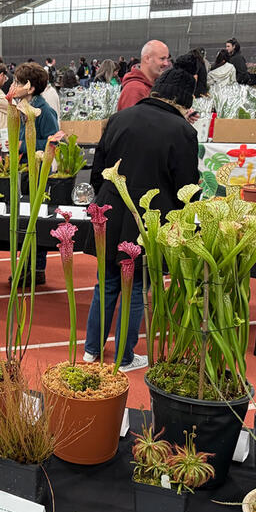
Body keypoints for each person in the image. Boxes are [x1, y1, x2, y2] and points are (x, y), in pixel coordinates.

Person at [85, 67, 200, 370]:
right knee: (136, 286)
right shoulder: (183, 131)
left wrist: (106, 200)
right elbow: (187, 187)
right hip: (148, 218)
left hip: (110, 210)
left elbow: (98, 171)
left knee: (106, 282)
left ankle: (91, 349)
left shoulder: (119, 118)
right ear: (184, 100)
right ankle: (123, 357)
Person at [10, 61, 60, 285]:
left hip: (38, 172)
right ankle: (27, 266)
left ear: (29, 87)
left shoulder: (44, 111)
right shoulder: (22, 107)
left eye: (17, 82)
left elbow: (53, 141)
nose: (13, 86)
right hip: (25, 170)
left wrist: (23, 144)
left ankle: (36, 268)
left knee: (35, 220)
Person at [117, 40, 171, 111]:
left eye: (167, 59)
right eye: (162, 58)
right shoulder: (134, 89)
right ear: (147, 59)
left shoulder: (153, 85)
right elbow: (131, 118)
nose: (166, 63)